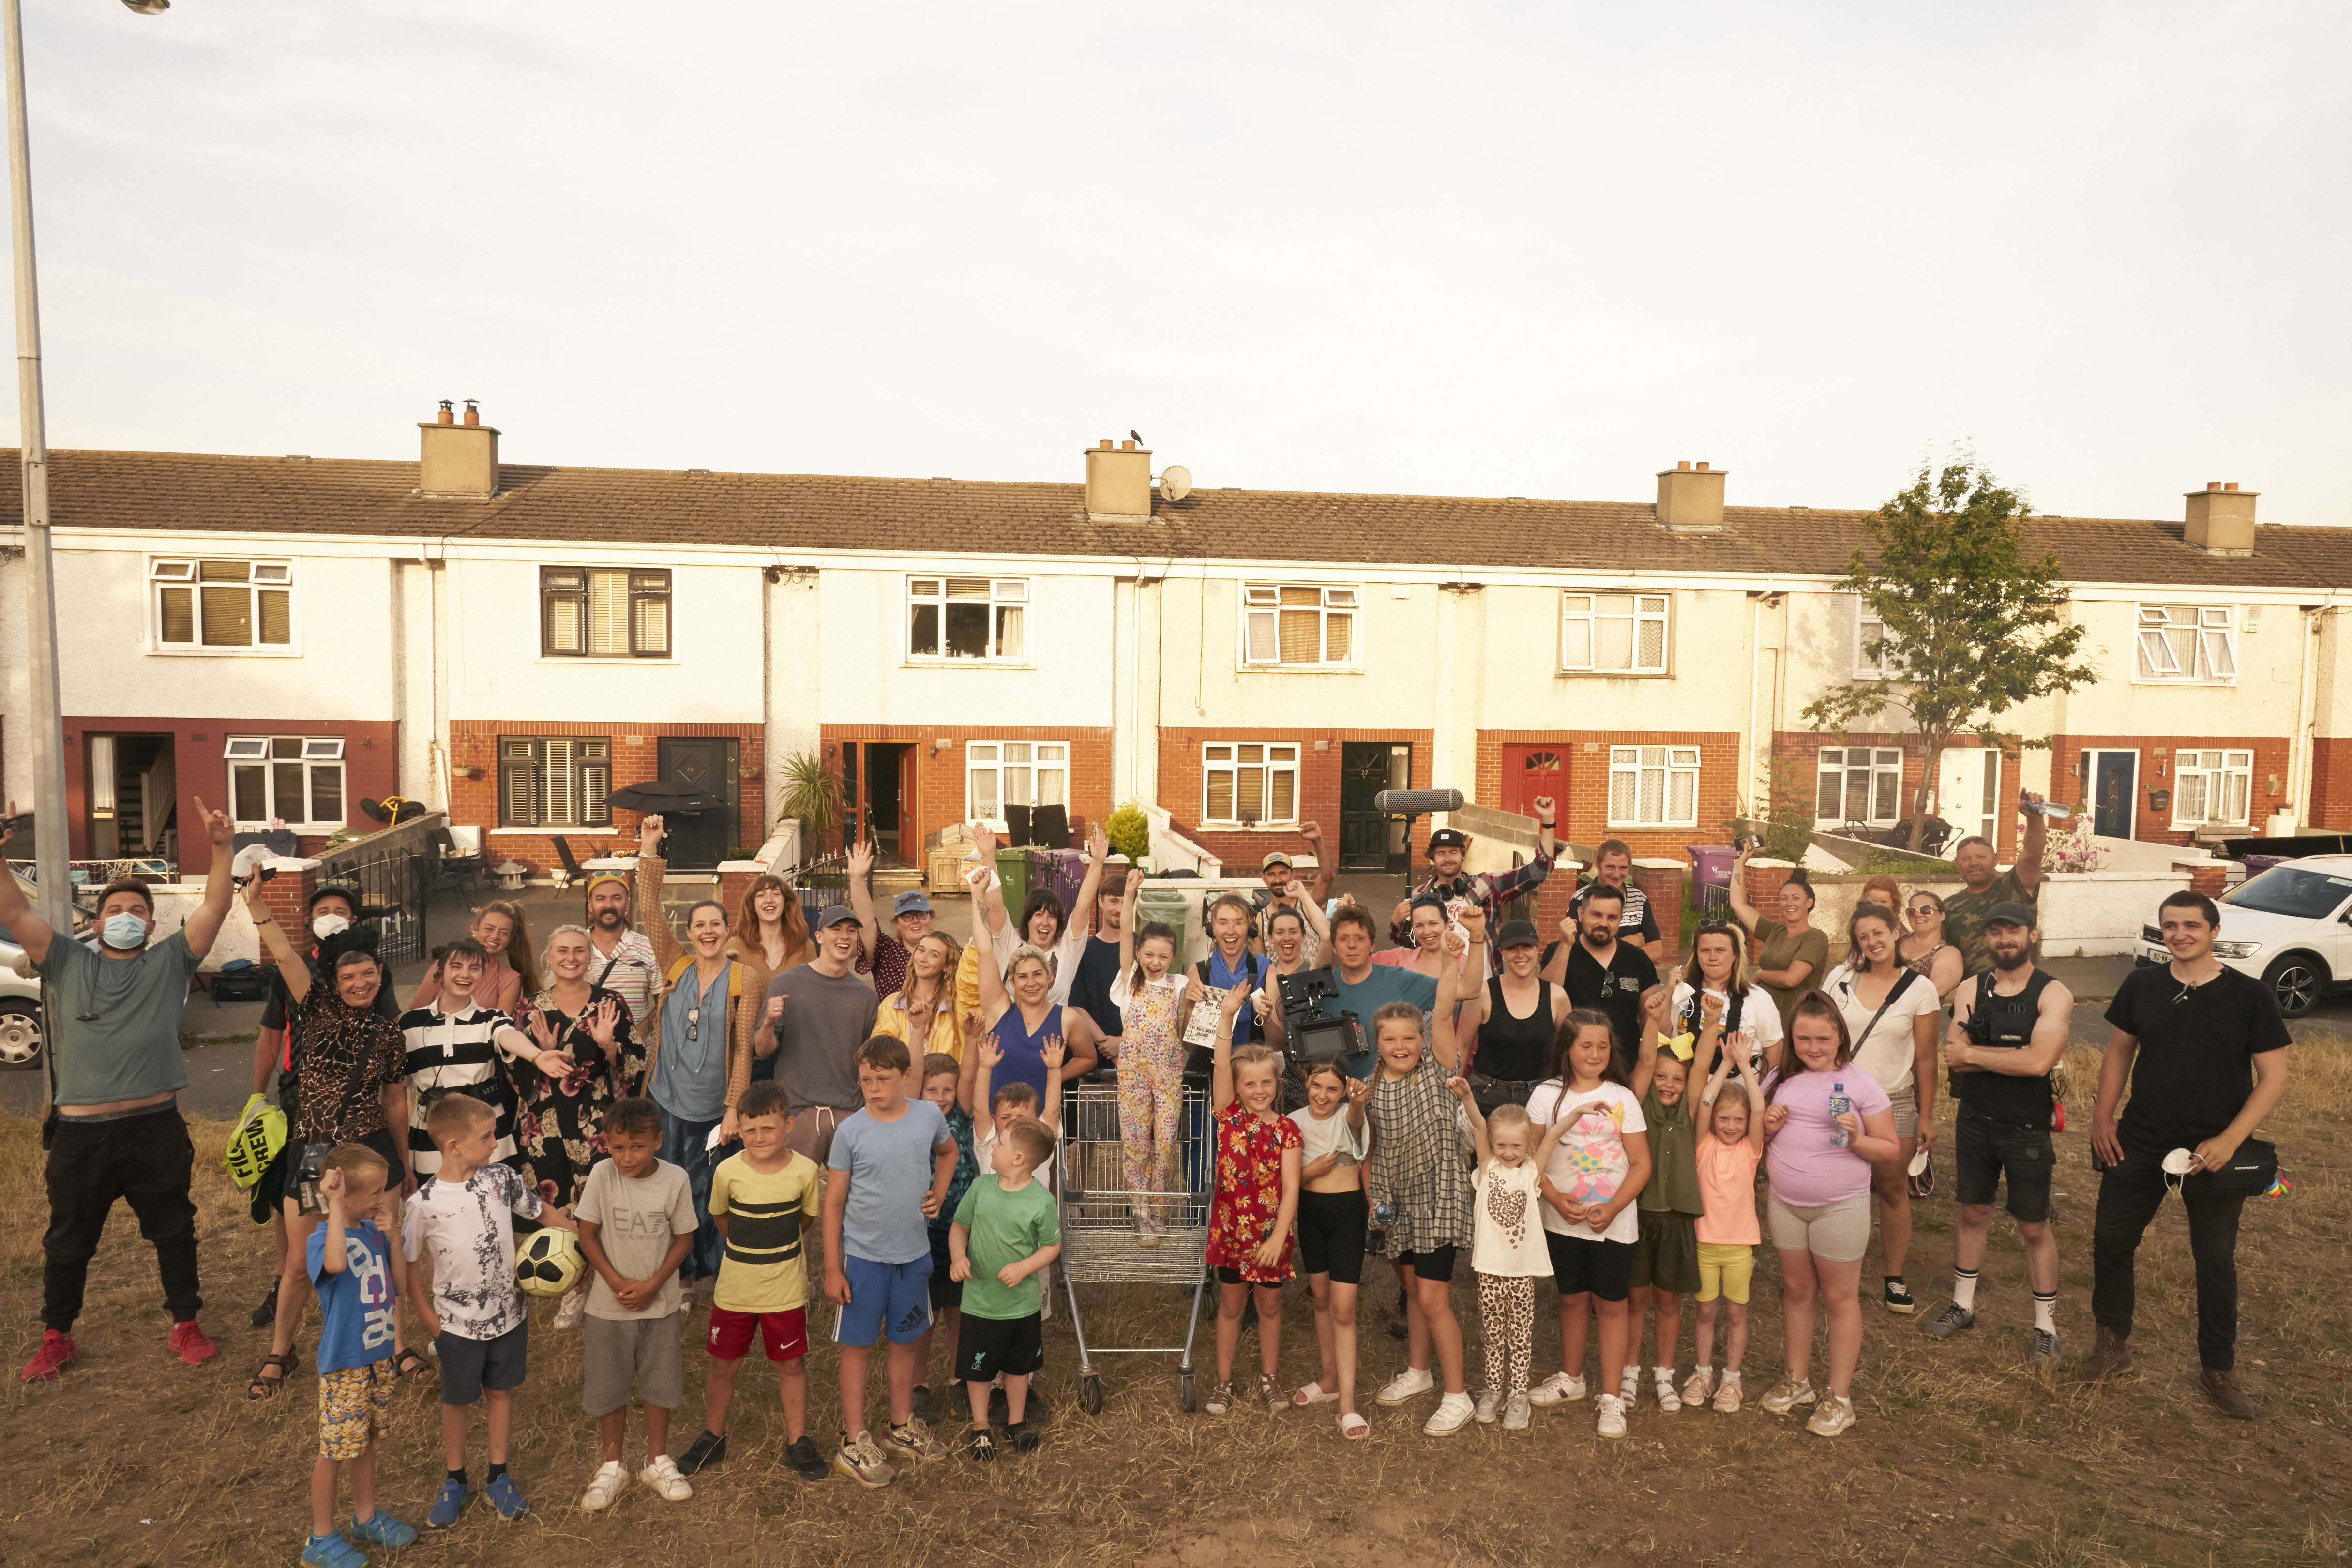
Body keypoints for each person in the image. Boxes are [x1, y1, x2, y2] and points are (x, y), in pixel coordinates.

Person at [6, 797, 236, 1383]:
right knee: (67, 1242)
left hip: (155, 1128)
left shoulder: (170, 963)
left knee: (175, 1231)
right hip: (81, 1136)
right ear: (98, 920)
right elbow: (14, 911)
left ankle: (185, 1324)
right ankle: (58, 1336)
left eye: (138, 908)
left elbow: (214, 903)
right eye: (116, 908)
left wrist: (219, 847)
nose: (127, 915)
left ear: (153, 924)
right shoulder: (64, 960)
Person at [2076, 890, 2290, 1419]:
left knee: (2215, 1262)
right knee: (2110, 1242)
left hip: (2213, 1149)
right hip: (2141, 1138)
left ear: (2214, 930)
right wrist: (2104, 1118)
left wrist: (2230, 1141)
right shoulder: (2142, 985)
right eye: (2170, 926)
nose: (2180, 935)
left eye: (2191, 925)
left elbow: (2275, 1077)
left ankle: (2218, 1370)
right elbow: (2119, 1051)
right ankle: (2111, 1347)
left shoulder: (2249, 995)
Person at [244, 878, 418, 1400]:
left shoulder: (390, 1032)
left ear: (380, 975)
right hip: (315, 1153)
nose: (361, 982)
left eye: (369, 973)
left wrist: (405, 1164)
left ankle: (396, 1344)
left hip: (373, 1155)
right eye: (350, 975)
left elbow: (393, 1102)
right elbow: (281, 951)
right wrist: (256, 905)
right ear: (334, 979)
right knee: (300, 1263)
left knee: (383, 1254)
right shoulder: (313, 1006)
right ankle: (281, 1349)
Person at [401, 1092, 578, 1526]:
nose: (496, 1143)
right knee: (458, 1400)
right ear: (453, 1146)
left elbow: (541, 1214)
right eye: (487, 1136)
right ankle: (455, 1480)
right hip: (455, 1327)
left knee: (501, 1392)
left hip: (511, 1317)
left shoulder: (501, 1178)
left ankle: (499, 1476)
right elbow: (408, 1270)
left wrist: (580, 1240)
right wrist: (431, 1323)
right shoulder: (423, 1204)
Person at [1922, 905, 2074, 1365]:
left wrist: (1981, 1055)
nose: (2004, 939)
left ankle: (2046, 1327)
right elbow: (1953, 1053)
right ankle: (1962, 1306)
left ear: (2032, 933)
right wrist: (2010, 1053)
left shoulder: (2054, 993)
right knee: (1972, 1213)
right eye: (1996, 932)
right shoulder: (1972, 987)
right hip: (1975, 1119)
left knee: (2033, 1225)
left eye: (2013, 931)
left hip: (2026, 1126)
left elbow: (2037, 1063)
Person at [1756, 994, 1899, 1439]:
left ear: (1841, 1038)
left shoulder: (1860, 1084)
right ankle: (1798, 1381)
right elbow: (1752, 1139)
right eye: (1803, 1038)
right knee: (1797, 1291)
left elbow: (1891, 1150)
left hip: (1841, 1206)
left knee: (1840, 1299)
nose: (1813, 1047)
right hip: (1785, 1203)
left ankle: (1839, 1399)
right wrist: (1768, 1126)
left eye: (1823, 1038)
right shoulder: (1778, 1079)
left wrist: (1855, 1138)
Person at [635, 814, 767, 1291]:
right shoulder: (676, 963)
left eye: (716, 924)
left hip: (714, 1104)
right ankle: (679, 1275)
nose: (708, 932)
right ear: (689, 932)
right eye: (699, 925)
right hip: (669, 1096)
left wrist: (734, 1107)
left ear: (727, 929)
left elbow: (743, 1046)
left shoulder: (743, 978)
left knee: (706, 1187)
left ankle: (705, 1269)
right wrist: (650, 850)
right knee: (668, 1182)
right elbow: (649, 908)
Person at [674, 1081, 830, 1483]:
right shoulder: (727, 1171)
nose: (759, 1138)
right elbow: (722, 1220)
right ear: (739, 1129)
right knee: (723, 1365)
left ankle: (798, 1440)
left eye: (769, 1128)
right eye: (750, 1130)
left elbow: (806, 1220)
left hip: (786, 1290)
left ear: (789, 1125)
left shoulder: (805, 1171)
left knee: (792, 1365)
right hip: (736, 1290)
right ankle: (713, 1436)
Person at [823, 1035, 959, 1484]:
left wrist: (938, 1194)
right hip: (863, 1259)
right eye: (866, 1079)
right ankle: (854, 1439)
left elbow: (949, 1151)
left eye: (883, 1079)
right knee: (858, 1348)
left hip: (914, 1256)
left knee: (905, 1342)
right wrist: (831, 1267)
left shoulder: (927, 1116)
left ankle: (900, 1426)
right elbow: (834, 1204)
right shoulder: (851, 1131)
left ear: (907, 1078)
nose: (874, 1088)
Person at [1368, 934, 1479, 1438]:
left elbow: (1440, 1015)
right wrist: (1377, 1202)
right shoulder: (1374, 1085)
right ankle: (1418, 1371)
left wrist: (1454, 960)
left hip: (1440, 1197)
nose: (1400, 1047)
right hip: (1399, 1201)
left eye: (1408, 1038)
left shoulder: (1437, 1069)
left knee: (1434, 1298)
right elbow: (1372, 1150)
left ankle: (1458, 1396)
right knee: (1412, 1290)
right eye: (1390, 1039)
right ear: (1379, 1044)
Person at [1525, 1008, 1652, 1439]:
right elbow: (1530, 1157)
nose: (1595, 1053)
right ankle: (1572, 1378)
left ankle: (1613, 1398)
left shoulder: (1623, 1098)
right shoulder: (1545, 1095)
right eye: (1585, 1046)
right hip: (1561, 1219)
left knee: (1612, 1304)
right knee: (1572, 1299)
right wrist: (1557, 1200)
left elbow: (1640, 1164)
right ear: (1567, 1049)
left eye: (1602, 1046)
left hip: (1612, 1223)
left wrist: (1614, 1207)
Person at [573, 1096, 701, 1509]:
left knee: (660, 1383)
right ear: (607, 1144)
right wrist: (613, 1281)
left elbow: (684, 1240)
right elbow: (587, 1233)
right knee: (609, 1385)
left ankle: (657, 1459)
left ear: (658, 1141)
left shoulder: (676, 1179)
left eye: (638, 1146)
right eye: (618, 1147)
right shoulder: (601, 1175)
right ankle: (614, 1465)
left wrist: (652, 1286)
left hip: (660, 1304)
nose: (627, 1157)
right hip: (607, 1306)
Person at [300, 1144, 418, 1568]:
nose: (382, 1200)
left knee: (365, 1440)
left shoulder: (373, 1233)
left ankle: (365, 1517)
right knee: (335, 1450)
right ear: (343, 1195)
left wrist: (391, 1236)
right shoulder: (323, 1239)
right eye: (374, 1194)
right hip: (345, 1362)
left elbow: (400, 1286)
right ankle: (320, 1537)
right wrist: (332, 1206)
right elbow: (334, 1265)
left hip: (377, 1357)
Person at [1820, 902, 1942, 1314]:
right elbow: (1820, 1035)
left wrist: (1927, 1115)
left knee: (1891, 1190)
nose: (1872, 942)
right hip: (1840, 1099)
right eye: (1863, 936)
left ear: (1895, 932)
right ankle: (1835, 1273)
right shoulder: (1839, 979)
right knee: (1837, 1189)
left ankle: (1894, 1276)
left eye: (1878, 932)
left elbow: (1926, 1059)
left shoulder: (1920, 989)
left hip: (1894, 1103)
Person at [397, 937, 574, 1183]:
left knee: (493, 1203)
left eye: (474, 968)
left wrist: (537, 1055)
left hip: (488, 1130)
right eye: (456, 966)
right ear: (440, 972)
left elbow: (508, 1036)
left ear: (482, 975)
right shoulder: (410, 1023)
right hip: (433, 1131)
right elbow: (397, 1091)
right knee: (438, 1206)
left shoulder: (491, 1018)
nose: (465, 975)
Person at [1202, 988, 1303, 1417]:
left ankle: (1269, 1377)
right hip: (1231, 1233)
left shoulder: (1288, 1131)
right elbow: (1221, 1062)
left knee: (1269, 1305)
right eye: (1250, 1083)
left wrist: (1278, 1237)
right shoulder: (1227, 1117)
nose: (1259, 1090)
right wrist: (1227, 1015)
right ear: (1237, 1088)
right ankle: (1223, 1382)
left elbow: (1292, 1189)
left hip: (1269, 1236)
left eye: (1266, 1082)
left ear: (1276, 1084)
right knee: (1230, 1305)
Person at [1448, 1078, 1571, 1432]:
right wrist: (1469, 1096)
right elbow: (1477, 1124)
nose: (1508, 1152)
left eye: (1516, 1145)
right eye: (1501, 1144)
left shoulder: (1533, 1172)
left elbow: (1551, 1136)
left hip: (1521, 1270)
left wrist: (1577, 1112)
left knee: (1520, 1333)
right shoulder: (1487, 1168)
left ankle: (1518, 1395)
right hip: (1489, 1268)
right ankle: (1493, 1390)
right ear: (1491, 1145)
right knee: (1492, 1332)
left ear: (1526, 1145)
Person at [949, 1114, 1063, 1459]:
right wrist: (957, 1257)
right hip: (980, 1303)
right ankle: (980, 1427)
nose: (992, 1148)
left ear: (1018, 1159)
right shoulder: (981, 1188)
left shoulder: (1041, 1200)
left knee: (1018, 1368)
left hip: (1021, 1306)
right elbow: (959, 1228)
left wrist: (1025, 1267)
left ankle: (1016, 1422)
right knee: (979, 1371)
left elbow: (1052, 1246)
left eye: (999, 1144)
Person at [517, 926, 636, 1256]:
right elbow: (513, 1067)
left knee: (598, 1194)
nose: (571, 958)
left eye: (579, 951)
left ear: (590, 957)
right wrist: (541, 1055)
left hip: (596, 1116)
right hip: (544, 1118)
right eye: (563, 951)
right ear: (549, 957)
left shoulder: (610, 1002)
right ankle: (562, 1266)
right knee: (551, 1191)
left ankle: (601, 1267)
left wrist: (608, 1045)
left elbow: (636, 1065)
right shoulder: (530, 1008)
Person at [967, 866, 1101, 1113]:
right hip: (1001, 1110)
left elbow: (1087, 1057)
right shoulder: (999, 1010)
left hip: (1045, 1105)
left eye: (1038, 975)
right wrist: (978, 894)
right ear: (1011, 981)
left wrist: (1055, 1075)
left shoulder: (1066, 1018)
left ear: (1050, 978)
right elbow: (986, 949)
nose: (1031, 983)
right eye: (1023, 976)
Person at [1286, 1057, 1372, 1436]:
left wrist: (1356, 1102)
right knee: (1320, 1300)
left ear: (1343, 1091)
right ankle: (1329, 1379)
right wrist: (1311, 1173)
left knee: (1343, 1309)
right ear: (1306, 1084)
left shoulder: (1349, 1116)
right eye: (1316, 1086)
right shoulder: (1293, 1121)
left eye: (1332, 1089)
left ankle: (1348, 1406)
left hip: (1347, 1217)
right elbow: (1288, 1178)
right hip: (1312, 1216)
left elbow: (1355, 1119)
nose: (1323, 1095)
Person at [1626, 1002, 1704, 1413]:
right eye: (1662, 1076)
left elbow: (1703, 1065)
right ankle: (1628, 1373)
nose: (1668, 1084)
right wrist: (1653, 1018)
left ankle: (1663, 1375)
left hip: (1676, 1221)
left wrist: (1710, 1018)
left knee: (1668, 1303)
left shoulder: (1692, 1113)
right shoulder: (1639, 1105)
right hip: (1637, 1216)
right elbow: (1642, 1061)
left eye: (1676, 1078)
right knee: (1635, 1300)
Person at [762, 902, 881, 1169]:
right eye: (836, 929)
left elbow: (870, 1064)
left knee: (852, 1202)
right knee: (789, 1198)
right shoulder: (785, 984)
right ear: (819, 936)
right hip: (797, 1113)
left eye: (851, 931)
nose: (845, 936)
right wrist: (768, 1023)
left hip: (849, 1114)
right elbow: (762, 1050)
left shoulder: (867, 998)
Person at [1264, 905, 1439, 1083]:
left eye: (1360, 938)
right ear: (1333, 946)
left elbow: (1465, 990)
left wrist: (1464, 946)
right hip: (1336, 1103)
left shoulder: (1397, 980)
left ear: (1372, 945)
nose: (1352, 945)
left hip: (1389, 1099)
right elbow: (1293, 1048)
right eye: (1344, 939)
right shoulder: (1316, 989)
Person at [1111, 870, 1192, 1246]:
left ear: (1173, 957)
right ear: (1139, 954)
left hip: (1169, 1079)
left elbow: (1190, 1027)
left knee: (1165, 1146)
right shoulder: (1130, 980)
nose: (1155, 962)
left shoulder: (1179, 985)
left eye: (1163, 956)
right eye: (1149, 954)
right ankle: (1140, 1213)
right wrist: (1129, 894)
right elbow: (1126, 931)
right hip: (1132, 1080)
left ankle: (1160, 1212)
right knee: (1136, 1145)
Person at [954, 821, 1110, 1011]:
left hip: (1053, 1037)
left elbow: (1082, 909)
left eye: (1052, 917)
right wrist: (988, 856)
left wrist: (1097, 862)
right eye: (1039, 914)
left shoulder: (1067, 950)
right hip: (1014, 1035)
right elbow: (996, 905)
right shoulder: (1012, 946)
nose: (1045, 922)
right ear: (1027, 920)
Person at [1685, 1046, 1765, 1414]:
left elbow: (1760, 1109)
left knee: (1736, 1314)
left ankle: (1732, 1380)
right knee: (1705, 1313)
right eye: (1724, 1119)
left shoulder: (1750, 1150)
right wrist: (1728, 1064)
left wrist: (1747, 1068)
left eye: (1738, 1120)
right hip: (1704, 1244)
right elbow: (1703, 1101)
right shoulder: (1703, 1147)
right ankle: (1704, 1374)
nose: (1731, 1126)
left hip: (1738, 1248)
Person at [913, 1051, 981, 1425]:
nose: (940, 1097)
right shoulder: (914, 1121)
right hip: (924, 1231)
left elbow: (969, 1077)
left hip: (961, 1229)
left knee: (958, 1310)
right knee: (926, 1314)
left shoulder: (961, 1117)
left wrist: (972, 1040)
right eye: (932, 1089)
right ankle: (919, 1385)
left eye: (947, 1090)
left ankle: (959, 1378)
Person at [1388, 802, 1558, 946]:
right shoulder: (1420, 895)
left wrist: (1549, 821)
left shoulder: (1487, 885)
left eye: (1453, 852)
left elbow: (1538, 872)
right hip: (1440, 981)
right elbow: (1412, 947)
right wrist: (1396, 923)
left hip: (1483, 981)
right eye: (1441, 854)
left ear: (1463, 855)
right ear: (1433, 858)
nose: (1447, 858)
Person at [1447, 917, 1567, 1114]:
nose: (1521, 955)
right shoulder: (1482, 994)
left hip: (1539, 1095)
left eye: (1527, 947)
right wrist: (1453, 1096)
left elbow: (1567, 1051)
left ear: (1538, 948)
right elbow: (1462, 1046)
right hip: (1487, 1094)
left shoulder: (1557, 997)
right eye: (1512, 948)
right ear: (1502, 952)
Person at [1939, 793, 2052, 975]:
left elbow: (2033, 854)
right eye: (1966, 859)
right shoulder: (1949, 906)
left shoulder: (2015, 885)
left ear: (1995, 859)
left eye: (1981, 857)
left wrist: (2035, 818)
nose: (1974, 863)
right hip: (1976, 994)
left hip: (2022, 990)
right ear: (1957, 864)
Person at [1547, 882, 1661, 1063]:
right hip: (1569, 1064)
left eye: (1612, 917)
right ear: (1581, 914)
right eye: (1596, 915)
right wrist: (1566, 945)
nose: (1603, 924)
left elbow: (1652, 1022)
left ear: (1621, 919)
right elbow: (1545, 1000)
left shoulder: (1639, 959)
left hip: (1624, 1066)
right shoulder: (1559, 951)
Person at [1727, 846, 1828, 1036]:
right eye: (1784, 899)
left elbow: (1791, 979)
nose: (1789, 903)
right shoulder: (1774, 931)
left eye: (1796, 898)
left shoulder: (1816, 937)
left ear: (1810, 902)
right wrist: (1740, 862)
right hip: (1762, 1016)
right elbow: (1738, 904)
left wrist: (1760, 974)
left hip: (1792, 1022)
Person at [1669, 920, 1783, 1076]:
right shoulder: (1681, 993)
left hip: (1740, 1091)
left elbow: (1773, 1050)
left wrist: (1764, 1093)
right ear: (1697, 954)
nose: (1713, 957)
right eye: (1705, 950)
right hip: (1688, 1088)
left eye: (1720, 950)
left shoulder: (1759, 998)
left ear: (1735, 955)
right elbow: (1664, 1035)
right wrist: (1668, 992)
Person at [409, 901, 537, 1016]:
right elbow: (413, 1013)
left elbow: (499, 1027)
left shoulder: (510, 979)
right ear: (475, 930)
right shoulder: (444, 965)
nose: (495, 936)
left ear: (509, 940)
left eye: (503, 933)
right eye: (489, 929)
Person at [582, 870, 662, 1044]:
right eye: (601, 899)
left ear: (627, 904)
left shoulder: (647, 948)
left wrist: (639, 1032)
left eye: (616, 898)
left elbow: (665, 1002)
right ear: (590, 905)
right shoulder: (576, 949)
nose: (608, 905)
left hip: (639, 1057)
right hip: (588, 1060)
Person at [1065, 849, 1133, 1044]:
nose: (1120, 909)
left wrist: (1124, 1043)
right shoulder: (1086, 951)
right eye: (1114, 901)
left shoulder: (1143, 949)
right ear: (1101, 902)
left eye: (1126, 902)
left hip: (1136, 1051)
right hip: (1096, 1054)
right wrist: (1105, 1042)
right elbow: (1077, 1005)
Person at [847, 837, 929, 999]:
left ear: (930, 917)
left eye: (921, 914)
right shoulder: (887, 953)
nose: (915, 920)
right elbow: (867, 921)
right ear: (897, 923)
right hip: (894, 1024)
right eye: (907, 916)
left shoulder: (948, 952)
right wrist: (857, 879)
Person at [874, 932, 962, 1062]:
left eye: (934, 955)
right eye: (921, 950)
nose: (923, 959)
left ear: (947, 967)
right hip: (902, 1081)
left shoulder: (956, 1006)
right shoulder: (892, 1004)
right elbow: (878, 1055)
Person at [1254, 830, 1334, 962]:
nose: (1278, 879)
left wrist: (1318, 840)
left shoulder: (1306, 903)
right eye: (1271, 874)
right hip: (1279, 981)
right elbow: (1262, 964)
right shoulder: (1261, 918)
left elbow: (1327, 877)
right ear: (1264, 878)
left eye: (1283, 873)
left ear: (1293, 874)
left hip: (1311, 978)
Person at [1568, 839, 1662, 951]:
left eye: (1623, 868)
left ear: (1630, 866)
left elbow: (1656, 951)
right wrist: (1629, 943)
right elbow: (1579, 951)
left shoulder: (1639, 899)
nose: (1617, 875)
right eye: (1611, 867)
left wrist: (1608, 952)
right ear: (1598, 865)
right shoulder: (1581, 898)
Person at [734, 872, 817, 990]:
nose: (769, 900)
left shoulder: (805, 947)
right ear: (752, 905)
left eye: (776, 894)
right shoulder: (735, 947)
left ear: (786, 903)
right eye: (761, 895)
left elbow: (814, 995)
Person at [1898, 889, 1965, 1001]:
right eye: (1912, 911)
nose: (1918, 914)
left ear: (1942, 916)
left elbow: (1934, 992)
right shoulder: (1895, 940)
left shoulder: (1948, 954)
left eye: (1926, 910)